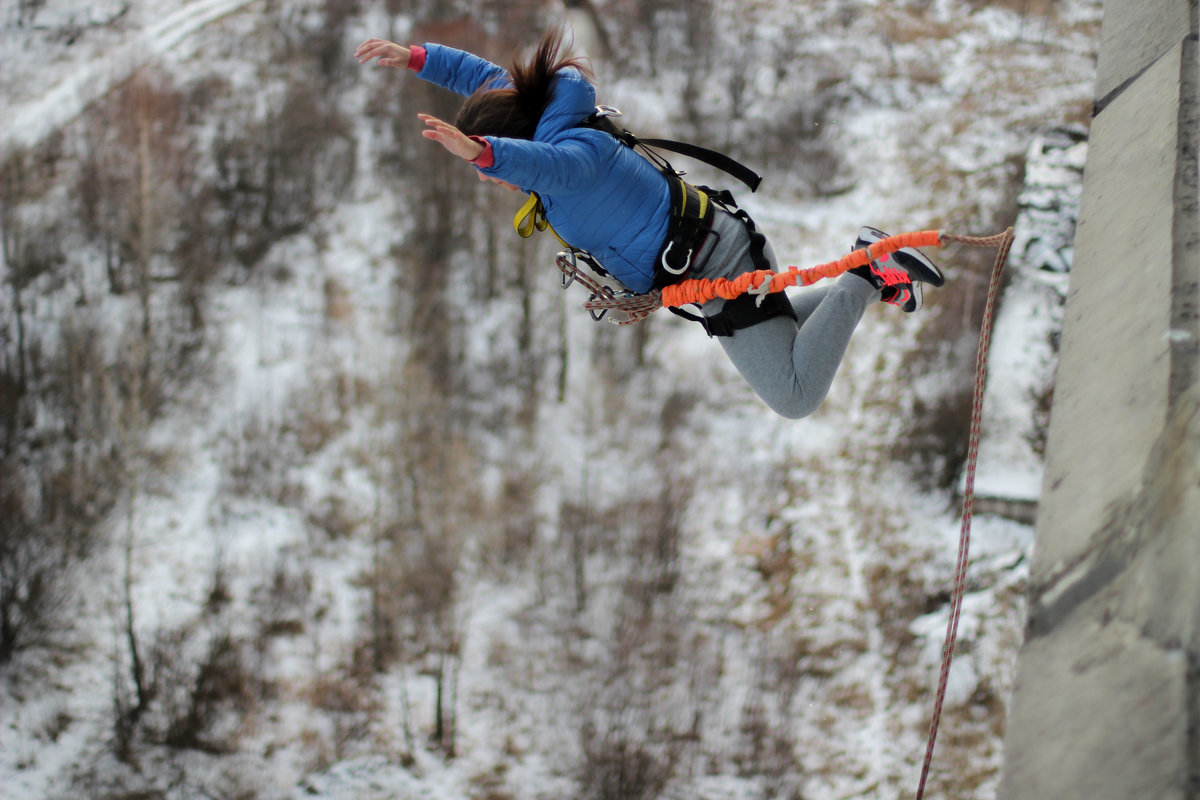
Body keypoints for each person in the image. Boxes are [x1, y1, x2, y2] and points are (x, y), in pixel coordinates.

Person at [354, 28, 943, 420]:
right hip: (708, 254)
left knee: (793, 395)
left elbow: (542, 162)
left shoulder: (573, 158)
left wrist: (484, 152)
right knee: (782, 336)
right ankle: (870, 277)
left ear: (517, 142)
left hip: (716, 262)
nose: (486, 178)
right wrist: (417, 59)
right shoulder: (551, 125)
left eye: (489, 164)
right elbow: (495, 85)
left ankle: (869, 269)